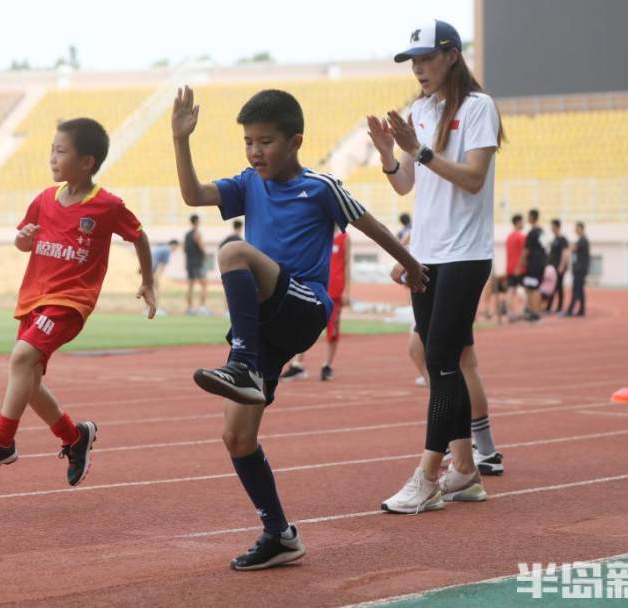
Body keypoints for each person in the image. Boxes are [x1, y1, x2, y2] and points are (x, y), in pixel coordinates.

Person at [172, 86, 427, 569]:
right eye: (248, 141)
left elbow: (370, 225)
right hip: (268, 321)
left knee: (231, 251)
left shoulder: (321, 187)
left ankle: (241, 364)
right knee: (237, 437)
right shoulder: (250, 183)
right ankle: (280, 534)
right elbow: (193, 194)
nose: (254, 151)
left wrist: (412, 266)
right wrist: (181, 140)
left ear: (295, 141)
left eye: (264, 141)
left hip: (307, 303)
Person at [0, 118, 157, 486]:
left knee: (20, 358)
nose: (52, 157)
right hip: (34, 300)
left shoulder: (107, 205)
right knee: (27, 381)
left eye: (60, 151)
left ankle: (1, 441)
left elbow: (140, 236)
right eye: (51, 150)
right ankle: (75, 437)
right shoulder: (43, 200)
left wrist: (147, 281)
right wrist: (26, 238)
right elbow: (21, 242)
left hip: (69, 302)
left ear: (86, 162)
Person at [368, 18, 506, 513]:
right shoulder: (419, 110)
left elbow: (471, 179)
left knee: (442, 361)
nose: (419, 69)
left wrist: (418, 151)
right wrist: (390, 156)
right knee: (439, 360)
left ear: (452, 54)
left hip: (465, 255)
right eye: (413, 61)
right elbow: (407, 184)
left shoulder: (478, 107)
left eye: (426, 58)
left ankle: (429, 474)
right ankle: (465, 470)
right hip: (427, 256)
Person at [280, 227, 351, 381]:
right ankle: (298, 364)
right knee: (303, 325)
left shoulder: (344, 238)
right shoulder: (318, 232)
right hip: (316, 287)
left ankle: (327, 365)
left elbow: (347, 265)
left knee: (332, 331)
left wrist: (347, 291)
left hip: (336, 290)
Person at [518, 208, 546, 321]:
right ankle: (537, 312)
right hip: (541, 263)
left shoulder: (531, 233)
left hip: (533, 263)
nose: (527, 218)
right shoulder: (542, 232)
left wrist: (520, 264)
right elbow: (545, 247)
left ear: (532, 218)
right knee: (537, 287)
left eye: (529, 216)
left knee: (531, 287)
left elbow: (526, 250)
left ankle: (533, 312)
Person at [562, 221, 590, 317]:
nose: (575, 230)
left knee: (576, 290)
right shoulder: (581, 240)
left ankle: (570, 310)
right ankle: (581, 310)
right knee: (580, 290)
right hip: (579, 269)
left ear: (581, 229)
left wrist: (570, 246)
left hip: (580, 269)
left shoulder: (583, 241)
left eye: (577, 228)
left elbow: (572, 248)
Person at [184, 214, 209, 315]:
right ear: (197, 222)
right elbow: (202, 247)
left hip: (190, 263)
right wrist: (206, 256)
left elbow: (184, 249)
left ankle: (190, 308)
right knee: (204, 285)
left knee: (190, 286)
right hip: (198, 263)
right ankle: (202, 308)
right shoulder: (197, 233)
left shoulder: (187, 234)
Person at [544, 219, 570, 313]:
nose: (551, 228)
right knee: (551, 287)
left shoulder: (562, 239)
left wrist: (562, 266)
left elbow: (565, 253)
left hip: (559, 267)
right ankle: (549, 307)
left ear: (557, 227)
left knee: (559, 287)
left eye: (553, 226)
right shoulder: (554, 239)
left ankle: (559, 308)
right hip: (552, 268)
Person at [505, 213, 526, 318]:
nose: (523, 223)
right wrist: (520, 266)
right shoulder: (521, 237)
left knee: (510, 290)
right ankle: (522, 311)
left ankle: (510, 312)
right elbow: (524, 253)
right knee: (521, 289)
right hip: (519, 268)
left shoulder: (509, 236)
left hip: (510, 267)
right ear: (518, 222)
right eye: (522, 221)